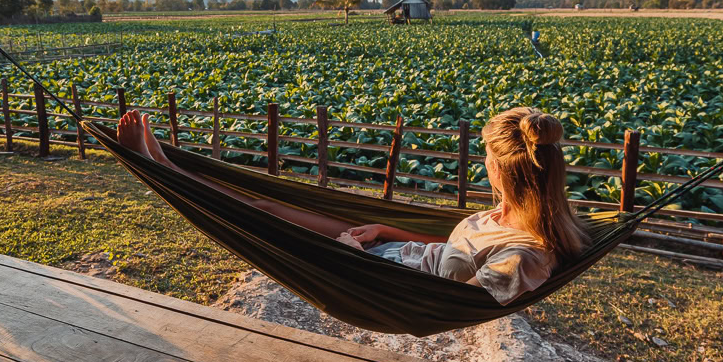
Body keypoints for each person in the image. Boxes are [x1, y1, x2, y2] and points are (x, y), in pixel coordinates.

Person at [117, 104, 589, 307]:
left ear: (503, 171)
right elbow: (450, 249)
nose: (483, 166)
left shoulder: (525, 256)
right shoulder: (504, 218)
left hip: (370, 272)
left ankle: (163, 168)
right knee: (267, 207)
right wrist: (384, 228)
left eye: (486, 159)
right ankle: (167, 166)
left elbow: (452, 299)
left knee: (262, 220)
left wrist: (352, 252)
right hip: (381, 250)